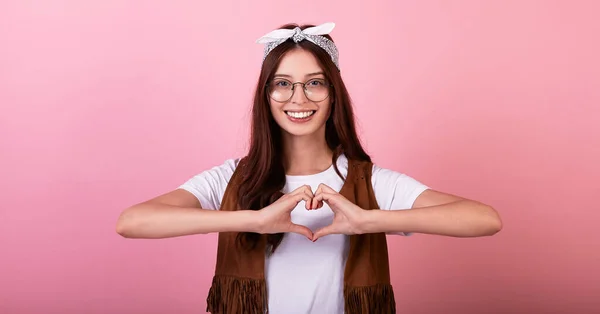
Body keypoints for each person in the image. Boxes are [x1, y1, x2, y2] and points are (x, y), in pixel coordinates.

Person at [116, 22, 502, 314]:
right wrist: (251, 221)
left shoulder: (370, 183)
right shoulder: (230, 179)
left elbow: (484, 219)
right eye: (282, 83)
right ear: (266, 95)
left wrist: (369, 221)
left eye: (314, 83)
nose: (298, 97)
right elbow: (133, 222)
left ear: (334, 94)